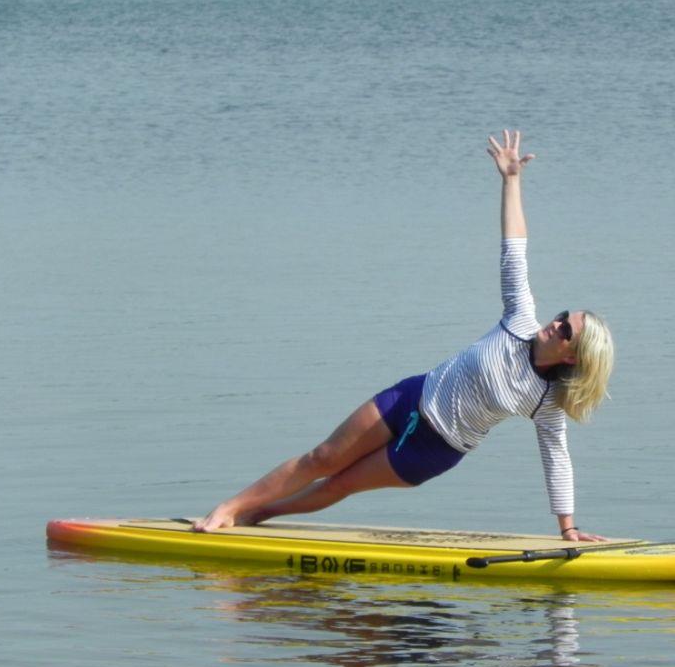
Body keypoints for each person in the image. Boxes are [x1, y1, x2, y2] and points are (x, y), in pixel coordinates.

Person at [194, 130, 614, 541]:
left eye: (566, 330)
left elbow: (557, 458)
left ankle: (259, 514)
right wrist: (511, 181)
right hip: (411, 397)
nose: (556, 323)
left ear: (571, 356)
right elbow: (514, 249)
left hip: (435, 449)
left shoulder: (545, 401)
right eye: (563, 316)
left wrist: (567, 528)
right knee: (322, 457)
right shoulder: (519, 318)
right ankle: (230, 508)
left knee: (339, 484)